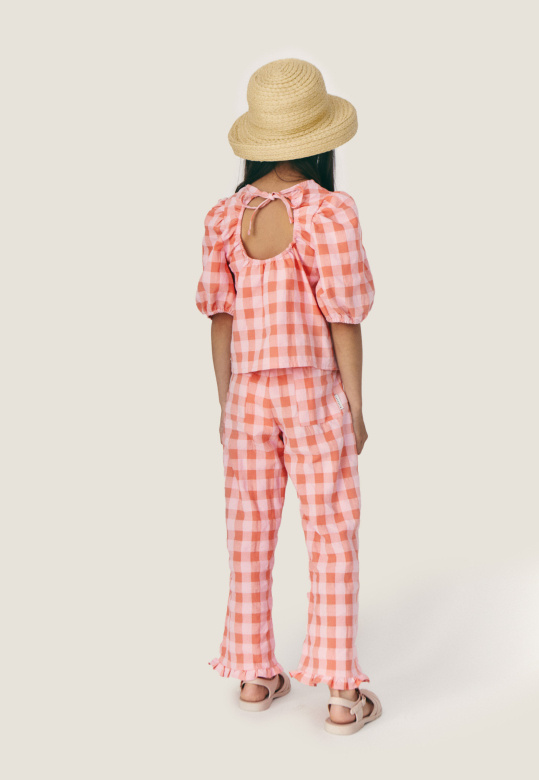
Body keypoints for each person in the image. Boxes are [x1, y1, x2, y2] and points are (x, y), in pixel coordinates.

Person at [195, 57, 382, 736]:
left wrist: (226, 406)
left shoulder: (225, 217)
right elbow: (344, 319)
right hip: (311, 390)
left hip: (247, 395)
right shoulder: (328, 212)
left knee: (248, 532)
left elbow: (220, 320)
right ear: (319, 138)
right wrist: (355, 407)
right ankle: (340, 693)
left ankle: (254, 675)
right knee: (331, 531)